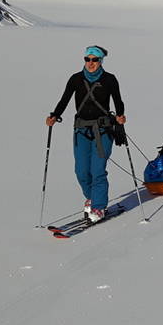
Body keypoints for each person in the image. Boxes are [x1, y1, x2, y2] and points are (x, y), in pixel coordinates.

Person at [46, 45, 126, 223]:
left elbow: (118, 101)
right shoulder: (76, 79)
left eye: (94, 60)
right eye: (87, 59)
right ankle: (91, 197)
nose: (90, 63)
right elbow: (64, 100)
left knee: (97, 170)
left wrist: (120, 116)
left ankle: (98, 207)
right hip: (80, 129)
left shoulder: (109, 79)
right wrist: (54, 115)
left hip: (103, 130)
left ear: (101, 61)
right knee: (81, 171)